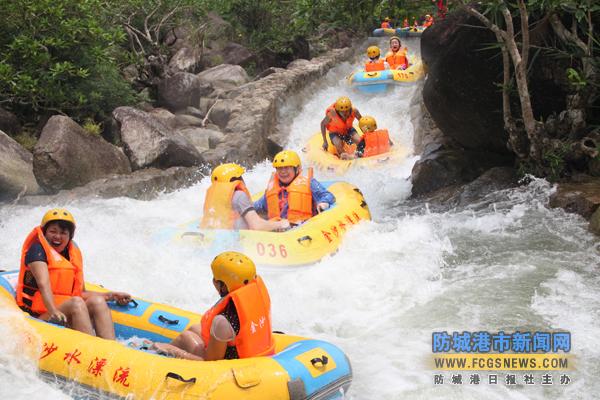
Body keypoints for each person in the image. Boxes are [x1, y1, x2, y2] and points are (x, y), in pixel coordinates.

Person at [15, 208, 131, 340]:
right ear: (44, 232)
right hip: (38, 318)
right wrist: (53, 311)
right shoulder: (37, 250)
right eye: (53, 231)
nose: (58, 236)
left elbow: (79, 293)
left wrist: (111, 295)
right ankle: (91, 349)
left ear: (70, 236)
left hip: (63, 312)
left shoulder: (72, 254)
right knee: (76, 303)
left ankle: (111, 347)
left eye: (63, 233)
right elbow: (43, 284)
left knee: (97, 301)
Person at [153, 252, 275, 361]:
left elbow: (210, 362)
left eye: (215, 279)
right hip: (255, 352)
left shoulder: (223, 320)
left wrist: (172, 351)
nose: (213, 281)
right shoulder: (255, 296)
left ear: (222, 285)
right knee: (195, 329)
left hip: (235, 365)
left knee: (186, 337)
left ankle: (157, 356)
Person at [253, 150, 335, 225]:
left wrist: (323, 203)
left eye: (287, 168)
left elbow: (328, 196)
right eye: (279, 168)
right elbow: (258, 206)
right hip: (280, 230)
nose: (283, 172)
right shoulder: (273, 189)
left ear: (297, 169)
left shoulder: (309, 183)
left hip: (302, 227)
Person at [200, 163, 289, 231]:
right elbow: (256, 226)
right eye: (240, 177)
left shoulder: (214, 197)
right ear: (235, 179)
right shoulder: (239, 196)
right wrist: (281, 224)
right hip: (241, 240)